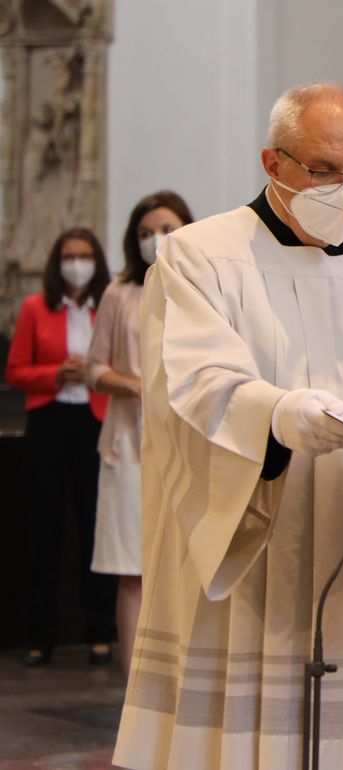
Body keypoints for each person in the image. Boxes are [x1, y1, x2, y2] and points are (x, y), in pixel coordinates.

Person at [113, 83, 343, 770]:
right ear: (273, 162)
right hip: (256, 557)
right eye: (324, 171)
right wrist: (278, 417)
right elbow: (194, 385)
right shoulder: (200, 256)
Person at [86, 190, 194, 676]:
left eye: (168, 229)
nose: (157, 239)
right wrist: (131, 384)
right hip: (130, 440)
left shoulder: (202, 284)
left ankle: (184, 671)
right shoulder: (119, 292)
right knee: (134, 566)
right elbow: (94, 367)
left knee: (188, 563)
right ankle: (134, 680)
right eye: (147, 232)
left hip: (187, 437)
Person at [5, 227, 115, 667]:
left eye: (84, 255)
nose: (77, 264)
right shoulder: (36, 308)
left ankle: (100, 632)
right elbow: (16, 371)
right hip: (49, 420)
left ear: (97, 261)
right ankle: (41, 635)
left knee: (95, 528)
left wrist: (94, 372)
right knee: (43, 530)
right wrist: (55, 373)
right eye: (69, 256)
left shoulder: (108, 305)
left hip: (95, 421)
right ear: (57, 262)